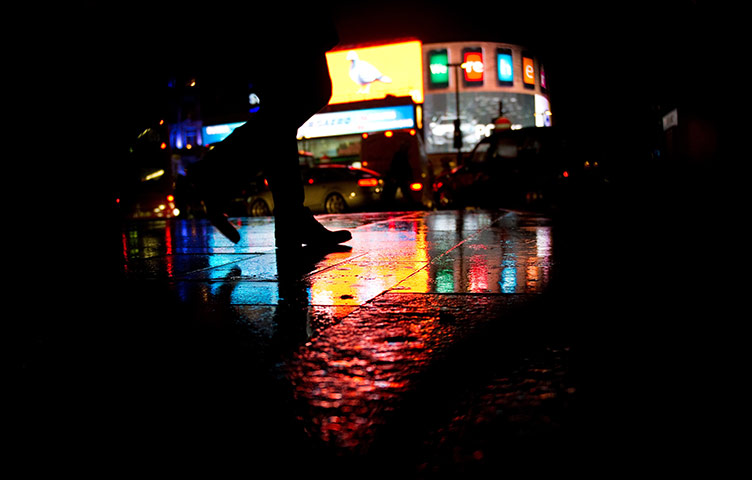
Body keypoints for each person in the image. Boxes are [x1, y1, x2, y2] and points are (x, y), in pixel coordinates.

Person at [186, 7, 351, 249]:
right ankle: (289, 218)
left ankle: (213, 177)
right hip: (282, 26)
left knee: (283, 117)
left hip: (272, 31)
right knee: (295, 105)